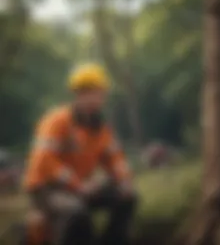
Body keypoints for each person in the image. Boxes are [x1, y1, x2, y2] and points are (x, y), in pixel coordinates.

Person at [22, 64, 137, 245]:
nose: (95, 99)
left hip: (79, 187)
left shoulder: (101, 128)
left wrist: (125, 181)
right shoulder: (56, 121)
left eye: (99, 94)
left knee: (128, 198)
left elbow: (115, 158)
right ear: (77, 94)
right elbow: (44, 161)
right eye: (88, 93)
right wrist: (78, 185)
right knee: (75, 214)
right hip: (46, 188)